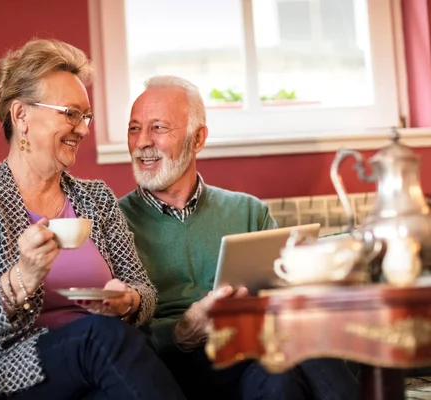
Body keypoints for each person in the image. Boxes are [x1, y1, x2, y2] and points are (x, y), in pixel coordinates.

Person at [0, 39, 185, 400]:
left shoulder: (96, 198)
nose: (83, 128)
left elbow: (143, 289)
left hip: (101, 364)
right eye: (70, 113)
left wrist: (130, 302)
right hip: (9, 373)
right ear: (21, 116)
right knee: (99, 336)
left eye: (86, 116)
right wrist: (22, 278)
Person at [119, 75, 361, 400]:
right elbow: (113, 333)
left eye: (158, 128)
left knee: (281, 373)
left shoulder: (248, 211)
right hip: (177, 366)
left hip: (256, 352)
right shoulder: (114, 221)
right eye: (135, 128)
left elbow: (288, 297)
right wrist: (178, 332)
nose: (142, 141)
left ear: (198, 138)